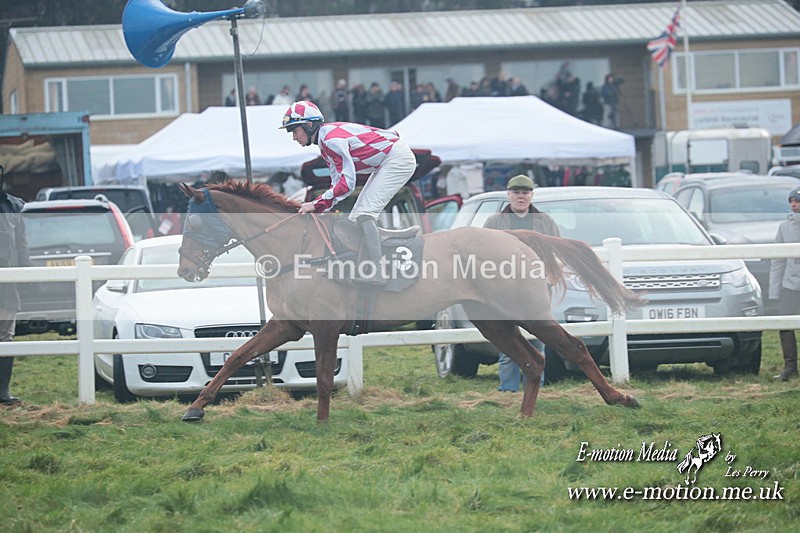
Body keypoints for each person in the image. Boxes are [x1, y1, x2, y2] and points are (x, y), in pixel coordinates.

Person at [279, 101, 416, 286]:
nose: (294, 137)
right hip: (387, 160)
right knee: (354, 219)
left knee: (364, 213)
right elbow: (337, 184)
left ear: (308, 125)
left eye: (294, 131)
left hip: (397, 159)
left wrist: (316, 204)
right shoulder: (325, 143)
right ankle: (371, 257)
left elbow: (347, 184)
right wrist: (321, 206)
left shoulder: (331, 140)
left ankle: (377, 271)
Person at [484, 175, 560, 391]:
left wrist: (551, 278)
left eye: (525, 192)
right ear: (508, 195)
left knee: (538, 339)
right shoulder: (494, 222)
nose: (520, 196)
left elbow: (554, 250)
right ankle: (507, 390)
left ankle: (535, 388)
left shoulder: (544, 221)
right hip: (504, 287)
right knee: (508, 338)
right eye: (516, 192)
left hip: (536, 287)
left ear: (531, 195)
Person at [0, 179, 32, 405]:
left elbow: (21, 243)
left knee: (5, 336)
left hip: (6, 284)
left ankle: (2, 391)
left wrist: (26, 271)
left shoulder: (12, 206)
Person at [769, 184, 800, 381]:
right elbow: (777, 260)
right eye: (792, 201)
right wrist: (774, 291)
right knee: (785, 326)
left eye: (797, 201)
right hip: (790, 285)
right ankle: (790, 368)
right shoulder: (784, 227)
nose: (794, 204)